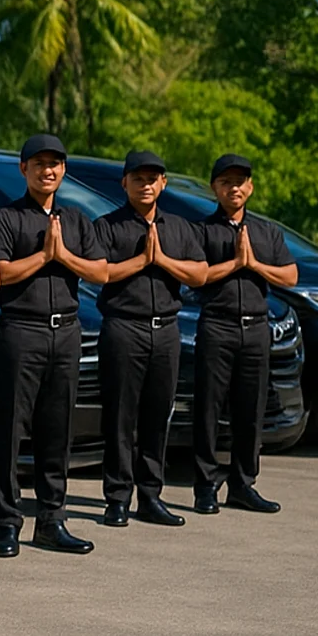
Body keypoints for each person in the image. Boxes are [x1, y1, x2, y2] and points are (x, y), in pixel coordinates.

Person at [0, 134, 109, 558]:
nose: (48, 171)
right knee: (11, 429)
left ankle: (52, 519)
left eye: (55, 164)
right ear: (24, 169)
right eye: (39, 164)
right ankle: (6, 521)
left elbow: (100, 271)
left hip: (66, 332)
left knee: (57, 429)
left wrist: (63, 256)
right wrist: (42, 256)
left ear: (64, 169)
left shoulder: (75, 219)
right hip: (22, 329)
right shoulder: (7, 217)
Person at [93, 150, 207, 529]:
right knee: (121, 417)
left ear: (163, 183)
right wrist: (142, 261)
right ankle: (117, 497)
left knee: (158, 416)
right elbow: (101, 273)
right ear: (124, 183)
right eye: (138, 178)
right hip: (124, 327)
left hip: (166, 330)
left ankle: (151, 495)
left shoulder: (179, 227)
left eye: (152, 178)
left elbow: (199, 273)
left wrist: (162, 261)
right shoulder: (108, 226)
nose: (145, 184)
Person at [191, 153, 299, 514]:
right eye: (226, 182)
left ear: (250, 187)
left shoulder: (267, 231)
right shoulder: (202, 230)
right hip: (217, 325)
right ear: (215, 188)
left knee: (251, 410)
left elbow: (290, 276)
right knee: (209, 408)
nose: (233, 187)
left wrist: (255, 264)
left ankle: (243, 484)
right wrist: (235, 264)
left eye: (240, 181)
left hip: (256, 327)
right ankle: (205, 486)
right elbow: (197, 276)